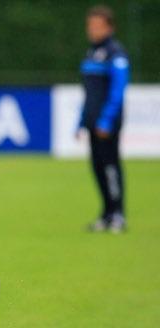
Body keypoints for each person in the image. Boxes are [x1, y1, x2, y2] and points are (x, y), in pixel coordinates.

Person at [78, 5, 129, 233]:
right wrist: (81, 121)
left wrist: (106, 120)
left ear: (110, 27)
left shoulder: (116, 54)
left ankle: (118, 214)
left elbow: (117, 91)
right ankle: (106, 214)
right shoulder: (91, 53)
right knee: (98, 167)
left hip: (107, 124)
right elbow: (89, 94)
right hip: (92, 122)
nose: (93, 30)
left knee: (110, 167)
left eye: (98, 26)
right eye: (91, 26)